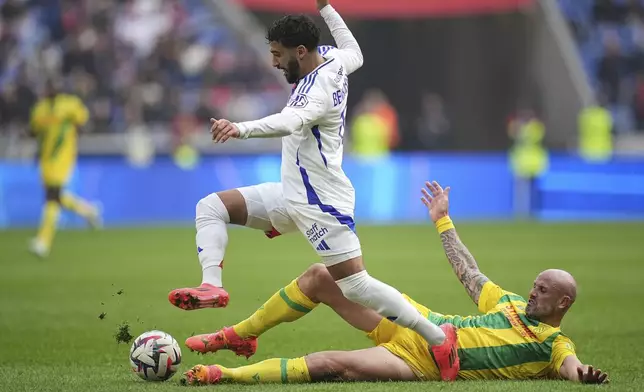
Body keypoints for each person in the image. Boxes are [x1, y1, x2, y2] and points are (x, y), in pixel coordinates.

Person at [167, 0, 458, 380]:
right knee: (211, 206)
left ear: (300, 52)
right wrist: (325, 6)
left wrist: (241, 128)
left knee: (355, 286)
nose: (273, 62)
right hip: (293, 193)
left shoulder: (315, 92)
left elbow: (289, 121)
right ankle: (212, 287)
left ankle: (438, 339)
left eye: (277, 54)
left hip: (321, 202)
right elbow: (354, 49)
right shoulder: (334, 60)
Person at [180, 180, 610, 386]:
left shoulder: (554, 346)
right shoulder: (510, 303)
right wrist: (442, 219)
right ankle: (236, 336)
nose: (533, 292)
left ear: (563, 303)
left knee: (330, 364)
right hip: (422, 322)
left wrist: (584, 376)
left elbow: (572, 369)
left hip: (420, 363)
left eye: (543, 290)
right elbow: (470, 273)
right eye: (535, 285)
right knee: (319, 276)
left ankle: (224, 375)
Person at [28, 80, 101, 258]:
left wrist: (73, 134)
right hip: (46, 160)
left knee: (52, 196)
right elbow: (35, 132)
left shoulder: (70, 104)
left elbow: (83, 120)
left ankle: (43, 242)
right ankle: (88, 211)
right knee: (56, 196)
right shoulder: (39, 109)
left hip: (63, 158)